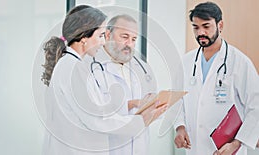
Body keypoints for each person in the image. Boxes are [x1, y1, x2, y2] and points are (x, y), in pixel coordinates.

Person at [40, 5, 167, 155]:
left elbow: (98, 108)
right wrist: (141, 121)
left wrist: (135, 104)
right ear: (84, 36)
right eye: (100, 35)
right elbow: (97, 119)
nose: (102, 42)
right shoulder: (74, 68)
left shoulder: (72, 64)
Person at [174, 2, 259, 155]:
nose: (201, 32)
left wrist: (236, 144)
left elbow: (256, 107)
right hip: (194, 147)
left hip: (227, 149)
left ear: (220, 25)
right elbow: (177, 99)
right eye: (196, 27)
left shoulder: (240, 62)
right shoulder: (186, 62)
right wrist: (180, 127)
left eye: (206, 26)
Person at [91, 14, 159, 155]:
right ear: (108, 35)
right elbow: (96, 114)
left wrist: (156, 106)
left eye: (134, 39)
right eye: (124, 37)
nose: (129, 43)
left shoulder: (143, 68)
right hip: (110, 147)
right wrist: (133, 103)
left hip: (140, 147)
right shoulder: (93, 68)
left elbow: (150, 107)